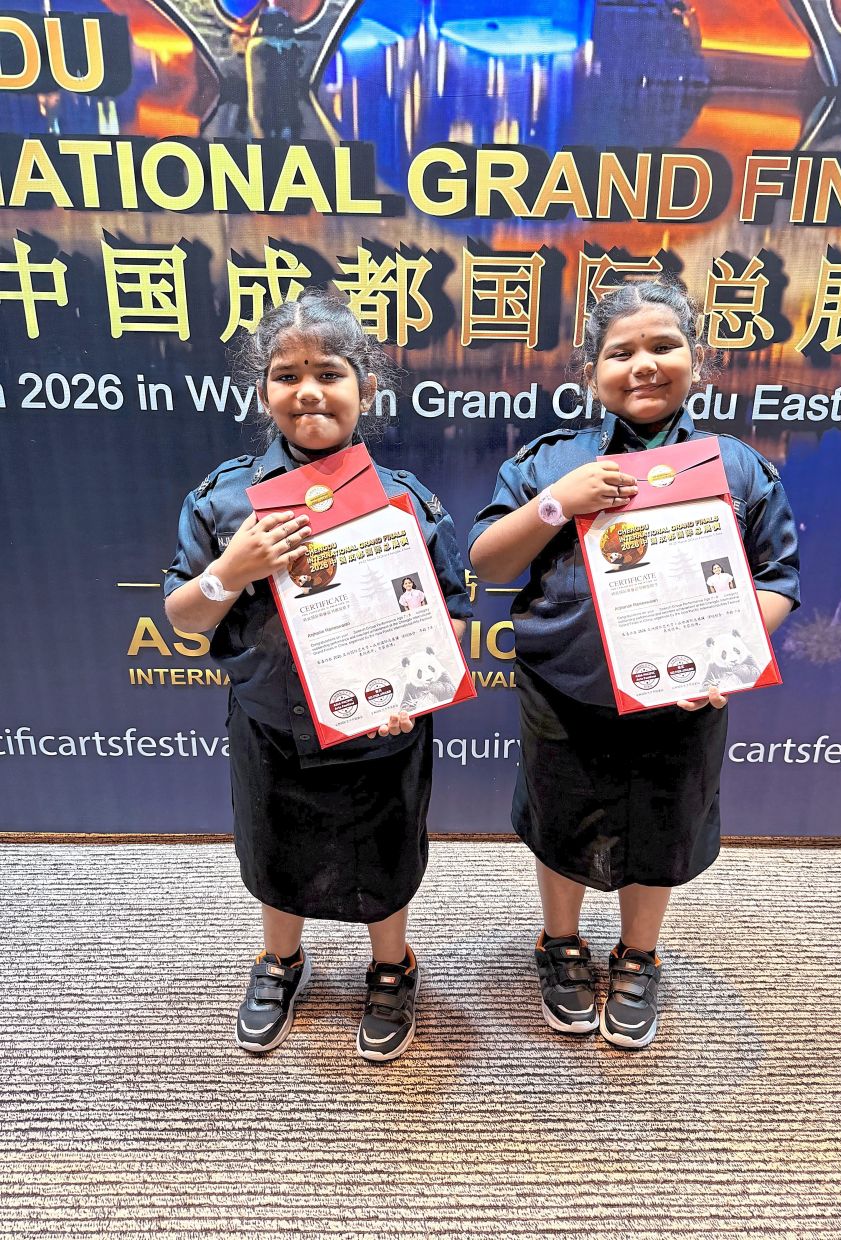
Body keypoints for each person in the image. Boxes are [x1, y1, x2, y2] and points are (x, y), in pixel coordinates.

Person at [469, 278, 799, 1051]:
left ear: (697, 359)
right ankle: (560, 943)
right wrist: (560, 503)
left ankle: (638, 955)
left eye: (664, 346)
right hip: (564, 689)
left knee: (664, 825)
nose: (644, 364)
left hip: (685, 698)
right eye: (621, 352)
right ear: (591, 372)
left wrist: (729, 658)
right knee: (559, 822)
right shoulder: (554, 463)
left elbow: (778, 578)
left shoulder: (737, 467)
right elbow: (486, 562)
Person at [164, 290, 471, 1062]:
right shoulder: (224, 500)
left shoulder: (406, 502)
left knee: (388, 855)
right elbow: (184, 618)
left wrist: (418, 687)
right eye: (284, 373)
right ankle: (280, 961)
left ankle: (393, 967)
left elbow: (452, 614)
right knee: (274, 852)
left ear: (366, 387)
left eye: (329, 372)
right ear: (263, 390)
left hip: (382, 729)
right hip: (271, 724)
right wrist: (233, 568)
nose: (307, 390)